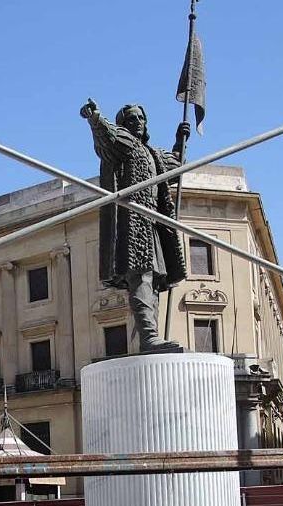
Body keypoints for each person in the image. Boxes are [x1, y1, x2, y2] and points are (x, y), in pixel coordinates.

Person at [81, 99, 192, 354]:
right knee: (140, 276)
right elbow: (107, 137)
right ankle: (149, 337)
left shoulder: (153, 154)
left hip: (152, 222)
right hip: (132, 221)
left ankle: (150, 338)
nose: (137, 123)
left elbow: (177, 167)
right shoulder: (125, 144)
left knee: (153, 281)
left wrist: (179, 140)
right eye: (131, 119)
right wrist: (95, 118)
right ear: (124, 124)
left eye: (141, 119)